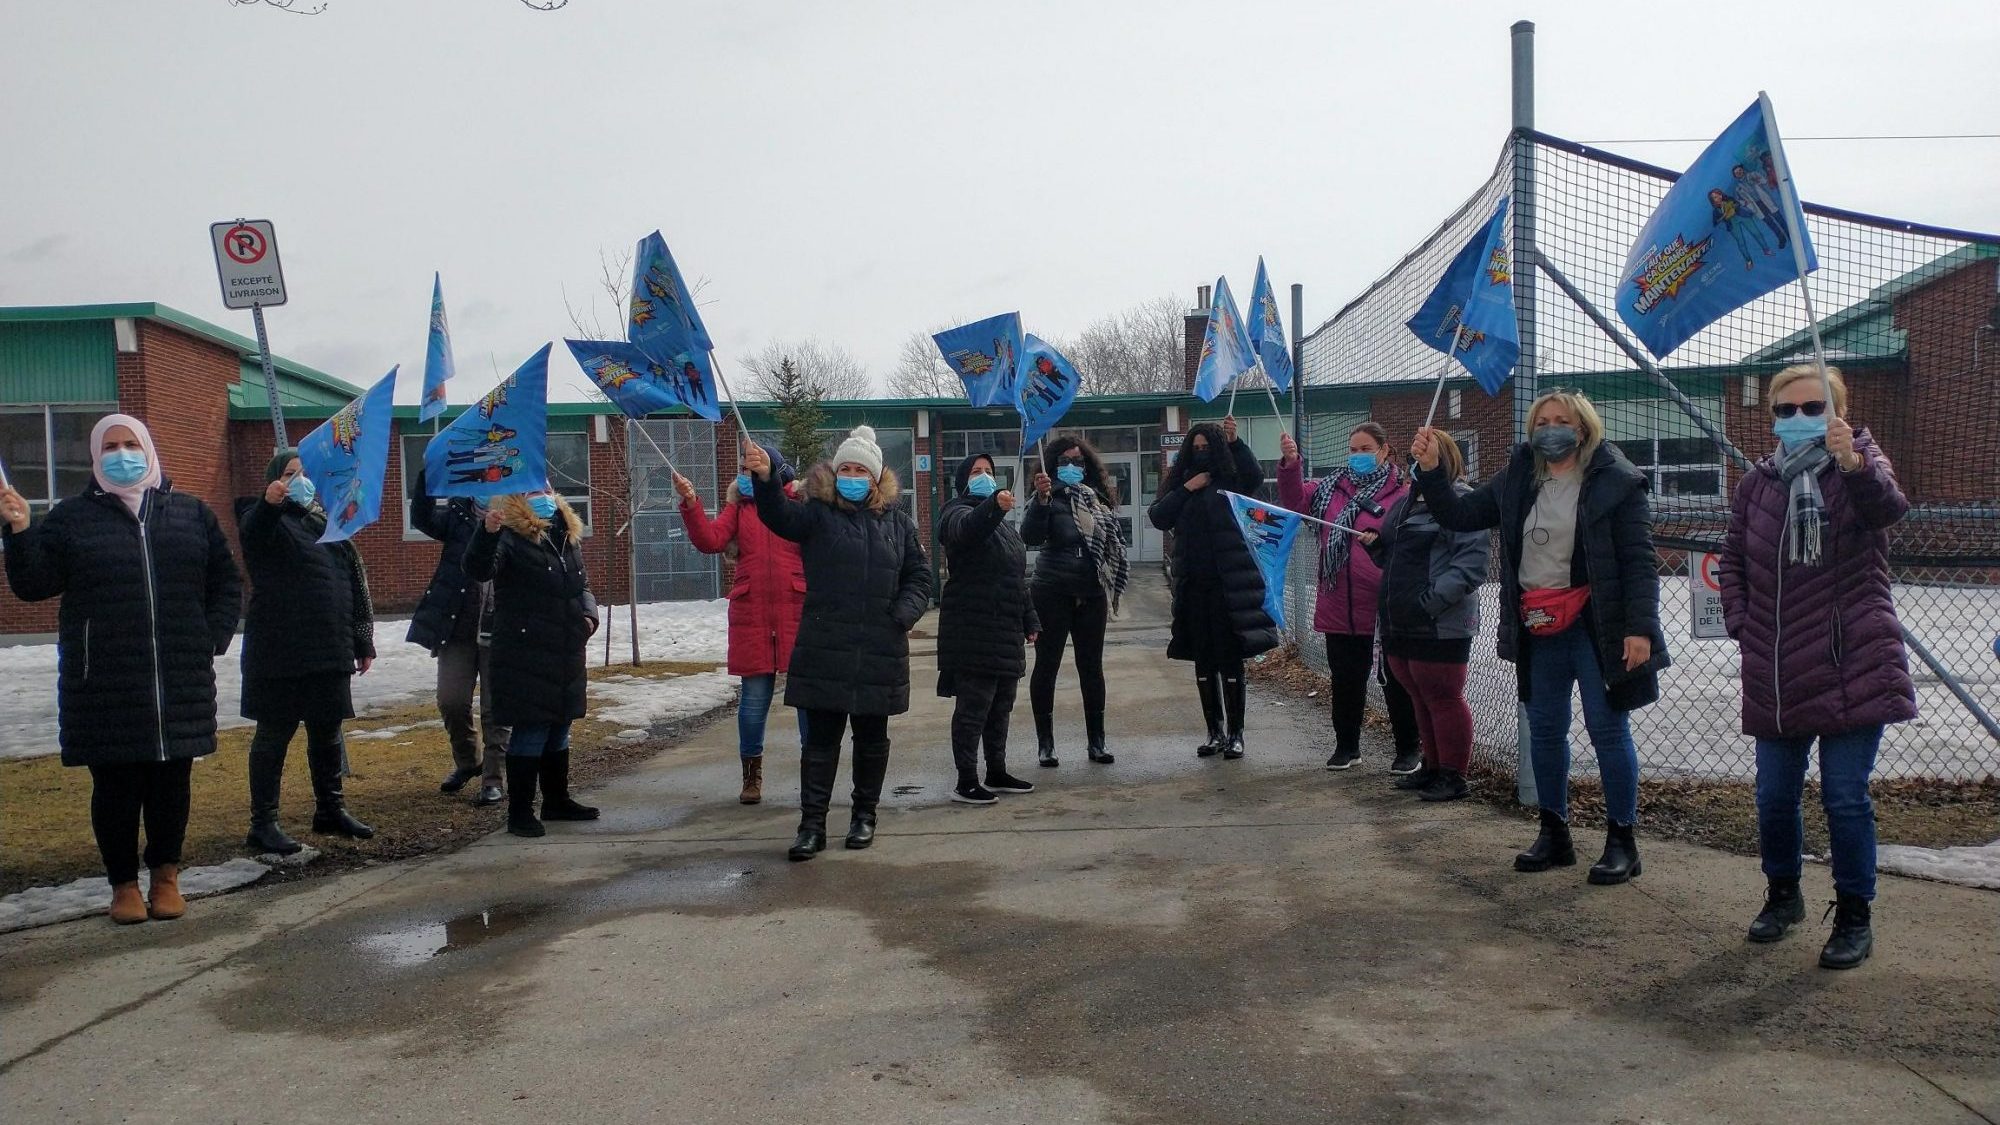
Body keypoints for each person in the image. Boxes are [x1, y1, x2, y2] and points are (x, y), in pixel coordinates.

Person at [1412, 389, 1668, 884]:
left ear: (1583, 427)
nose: (1551, 429)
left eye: (1562, 421)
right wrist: (1430, 472)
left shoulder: (1617, 481)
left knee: (1607, 730)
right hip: (1540, 627)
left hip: (1599, 628)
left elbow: (1639, 562)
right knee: (1546, 731)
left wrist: (1640, 629)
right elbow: (1461, 515)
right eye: (1542, 421)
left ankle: (1622, 840)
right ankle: (1555, 832)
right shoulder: (1518, 479)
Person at [0, 415, 241, 924]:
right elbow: (33, 584)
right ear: (95, 456)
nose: (122, 452)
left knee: (172, 782)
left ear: (149, 449)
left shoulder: (191, 514)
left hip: (178, 677)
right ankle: (124, 886)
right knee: (115, 787)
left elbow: (226, 581)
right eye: (110, 445)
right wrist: (19, 530)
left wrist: (210, 637)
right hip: (103, 681)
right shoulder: (71, 518)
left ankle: (167, 877)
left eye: (131, 443)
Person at [1721, 364, 1913, 970]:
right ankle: (1783, 896)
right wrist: (1743, 624)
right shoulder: (1759, 482)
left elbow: (1887, 512)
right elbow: (1731, 560)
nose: (1798, 418)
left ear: (1837, 411)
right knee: (1774, 796)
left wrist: (1852, 465)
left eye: (1813, 406)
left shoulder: (1860, 464)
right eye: (1786, 409)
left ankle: (1855, 915)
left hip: (1851, 659)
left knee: (1844, 795)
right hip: (1776, 664)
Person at [748, 426, 932, 861]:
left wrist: (902, 615)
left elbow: (919, 576)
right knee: (820, 743)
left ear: (875, 477)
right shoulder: (816, 514)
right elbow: (777, 516)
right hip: (825, 645)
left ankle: (864, 817)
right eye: (845, 468)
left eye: (860, 470)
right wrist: (765, 478)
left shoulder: (899, 524)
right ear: (835, 473)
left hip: (878, 647)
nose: (852, 475)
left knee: (871, 739)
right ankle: (811, 826)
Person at [237, 451, 378, 855]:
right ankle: (263, 823)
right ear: (272, 480)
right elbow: (254, 533)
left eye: (304, 473)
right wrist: (270, 502)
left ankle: (330, 810)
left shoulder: (329, 526)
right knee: (274, 736)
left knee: (327, 732)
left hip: (328, 647)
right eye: (289, 473)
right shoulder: (263, 519)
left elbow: (349, 586)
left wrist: (362, 640)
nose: (299, 479)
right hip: (279, 652)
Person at [1277, 423, 1423, 773]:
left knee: (1395, 680)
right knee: (1345, 680)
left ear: (1384, 450)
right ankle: (1347, 746)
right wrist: (1291, 464)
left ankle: (1408, 749)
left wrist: (1382, 542)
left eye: (1365, 448)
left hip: (1383, 607)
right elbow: (1296, 500)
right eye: (1353, 449)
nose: (1358, 455)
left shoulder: (1402, 493)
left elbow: (1411, 541)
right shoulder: (1330, 489)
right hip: (1338, 603)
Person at [465, 487, 601, 839]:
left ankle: (556, 800)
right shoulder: (509, 535)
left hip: (565, 645)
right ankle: (520, 811)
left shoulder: (565, 533)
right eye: (534, 490)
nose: (544, 495)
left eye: (547, 488)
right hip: (525, 650)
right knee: (532, 727)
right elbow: (480, 569)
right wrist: (486, 533)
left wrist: (588, 617)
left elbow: (581, 584)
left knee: (559, 724)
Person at [675, 447, 808, 805]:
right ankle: (751, 775)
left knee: (808, 700)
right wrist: (690, 503)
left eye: (756, 465)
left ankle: (814, 771)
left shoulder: (798, 501)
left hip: (797, 610)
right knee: (753, 702)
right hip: (752, 614)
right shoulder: (740, 506)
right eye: (744, 467)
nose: (747, 472)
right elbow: (710, 540)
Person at [1361, 431, 1488, 802]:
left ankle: (1453, 774)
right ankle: (1433, 766)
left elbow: (1471, 565)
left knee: (1443, 695)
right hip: (1400, 618)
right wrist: (1375, 547)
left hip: (1438, 621)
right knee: (1418, 694)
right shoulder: (1405, 504)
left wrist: (1429, 602)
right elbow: (1394, 556)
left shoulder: (1461, 501)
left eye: (1422, 455)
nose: (1414, 464)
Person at [1147, 416, 1281, 759]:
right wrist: (1188, 487)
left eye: (1208, 448)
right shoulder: (1182, 484)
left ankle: (1236, 733)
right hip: (1193, 586)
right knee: (1203, 659)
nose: (1202, 453)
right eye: (1197, 449)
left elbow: (1252, 477)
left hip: (1229, 585)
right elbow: (1159, 515)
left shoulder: (1230, 481)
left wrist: (1235, 443)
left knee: (1230, 657)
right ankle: (1214, 731)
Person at [936, 453, 1041, 804]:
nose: (984, 476)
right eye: (977, 472)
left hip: (1005, 629)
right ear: (964, 479)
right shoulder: (955, 512)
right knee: (973, 708)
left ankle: (996, 770)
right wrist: (994, 508)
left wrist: (1030, 619)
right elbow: (968, 531)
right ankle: (966, 780)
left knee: (1001, 706)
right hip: (972, 629)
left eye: (989, 472)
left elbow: (1015, 578)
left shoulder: (1006, 527)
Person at [1020, 434, 1129, 767]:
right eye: (1064, 461)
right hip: (1052, 590)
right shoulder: (1045, 498)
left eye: (1077, 461)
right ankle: (1046, 744)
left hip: (1092, 591)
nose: (1071, 467)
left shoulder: (1097, 500)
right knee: (1048, 666)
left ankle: (1096, 742)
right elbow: (1030, 537)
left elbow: (1111, 543)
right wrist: (1041, 501)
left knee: (1091, 668)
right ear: (1052, 465)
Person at [408, 473, 509, 806]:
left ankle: (494, 779)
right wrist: (427, 476)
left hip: (501, 629)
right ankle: (469, 762)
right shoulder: (457, 515)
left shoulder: (518, 519)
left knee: (496, 709)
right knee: (451, 700)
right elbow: (422, 518)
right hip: (458, 626)